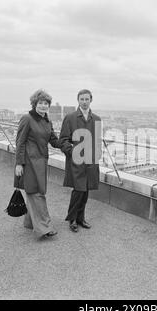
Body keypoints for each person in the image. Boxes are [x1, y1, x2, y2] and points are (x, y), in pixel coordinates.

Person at [14, 89, 62, 239]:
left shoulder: (47, 121)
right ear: (35, 104)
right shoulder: (27, 119)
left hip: (41, 161)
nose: (43, 106)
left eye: (46, 103)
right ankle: (44, 227)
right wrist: (19, 164)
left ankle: (30, 222)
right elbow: (20, 142)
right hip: (29, 162)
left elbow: (53, 140)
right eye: (40, 103)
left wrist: (68, 142)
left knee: (34, 191)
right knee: (37, 193)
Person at [59, 89, 102, 232]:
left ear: (91, 100)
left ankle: (81, 218)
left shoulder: (96, 119)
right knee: (78, 190)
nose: (84, 102)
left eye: (87, 99)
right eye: (82, 99)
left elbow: (97, 140)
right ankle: (72, 219)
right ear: (78, 100)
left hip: (90, 160)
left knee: (86, 191)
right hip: (76, 160)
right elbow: (63, 140)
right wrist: (72, 152)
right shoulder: (70, 118)